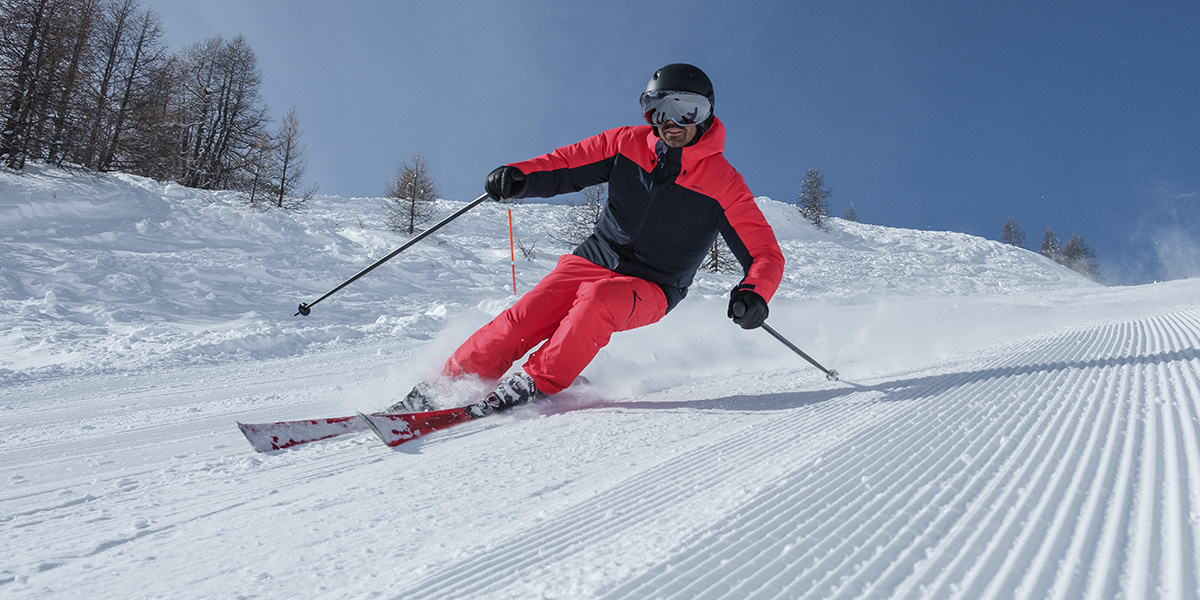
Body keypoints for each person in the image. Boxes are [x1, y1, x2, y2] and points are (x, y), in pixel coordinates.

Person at [393, 63, 785, 416]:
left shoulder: (726, 185)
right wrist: (520, 176)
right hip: (593, 259)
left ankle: (537, 382)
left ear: (707, 114)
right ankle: (448, 385)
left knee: (596, 303)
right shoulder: (624, 144)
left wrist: (754, 292)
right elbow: (565, 165)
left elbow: (764, 253)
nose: (672, 122)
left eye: (688, 110)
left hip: (654, 285)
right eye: (658, 109)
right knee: (523, 317)